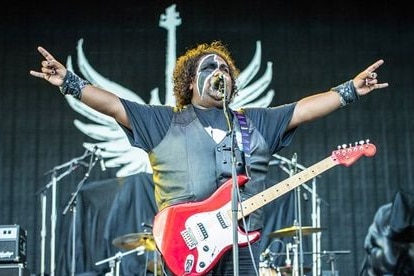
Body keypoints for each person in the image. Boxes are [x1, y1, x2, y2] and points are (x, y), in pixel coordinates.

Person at [30, 41, 388, 276]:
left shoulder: (255, 122)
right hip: (183, 243)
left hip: (241, 246)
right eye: (209, 68)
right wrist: (68, 82)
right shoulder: (162, 121)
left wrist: (350, 91)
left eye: (225, 70)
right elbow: (112, 104)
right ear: (189, 83)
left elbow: (303, 110)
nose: (220, 73)